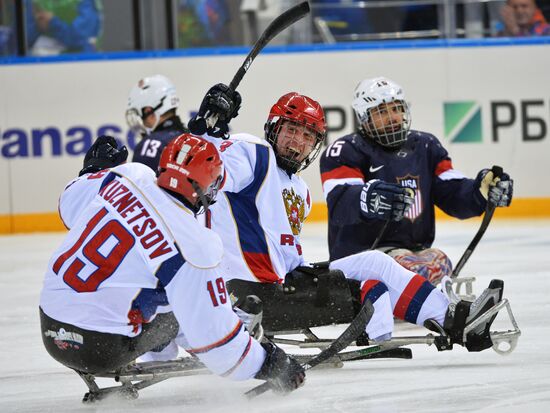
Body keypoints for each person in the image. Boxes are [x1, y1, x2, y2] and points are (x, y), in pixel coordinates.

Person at [185, 83, 508, 352]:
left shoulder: (299, 189)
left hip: (284, 286)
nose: (298, 142)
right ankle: (444, 323)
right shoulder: (253, 153)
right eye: (292, 129)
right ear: (273, 128)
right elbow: (211, 171)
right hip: (244, 295)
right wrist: (210, 131)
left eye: (307, 136)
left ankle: (459, 320)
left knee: (377, 265)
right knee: (371, 285)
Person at [39, 134, 305, 394]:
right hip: (100, 348)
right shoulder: (196, 245)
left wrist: (92, 171)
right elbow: (218, 346)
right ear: (206, 186)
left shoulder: (128, 175)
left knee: (150, 276)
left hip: (50, 328)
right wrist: (269, 363)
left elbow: (68, 205)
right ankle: (231, 323)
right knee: (187, 301)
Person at [319, 76, 514, 286]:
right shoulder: (345, 150)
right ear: (364, 117)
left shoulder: (425, 146)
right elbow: (340, 203)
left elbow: (452, 192)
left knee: (438, 261)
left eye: (397, 109)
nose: (393, 117)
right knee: (411, 268)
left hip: (413, 254)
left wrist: (480, 192)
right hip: (362, 258)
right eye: (381, 111)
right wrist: (369, 198)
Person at [126, 74, 189, 171]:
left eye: (140, 114)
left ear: (148, 111)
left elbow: (138, 185)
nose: (142, 121)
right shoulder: (192, 138)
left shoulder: (149, 145)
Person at [25, 0, 103, 55]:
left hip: (78, 62)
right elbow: (22, 39)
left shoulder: (86, 3)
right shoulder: (33, 2)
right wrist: (38, 24)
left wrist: (52, 23)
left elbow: (79, 37)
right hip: (39, 63)